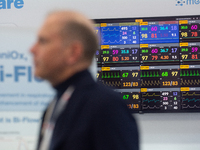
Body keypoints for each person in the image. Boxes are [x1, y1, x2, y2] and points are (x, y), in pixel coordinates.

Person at [30, 10, 139, 150]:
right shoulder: (54, 106)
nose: (32, 49)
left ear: (73, 52)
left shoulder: (106, 106)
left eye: (43, 41)